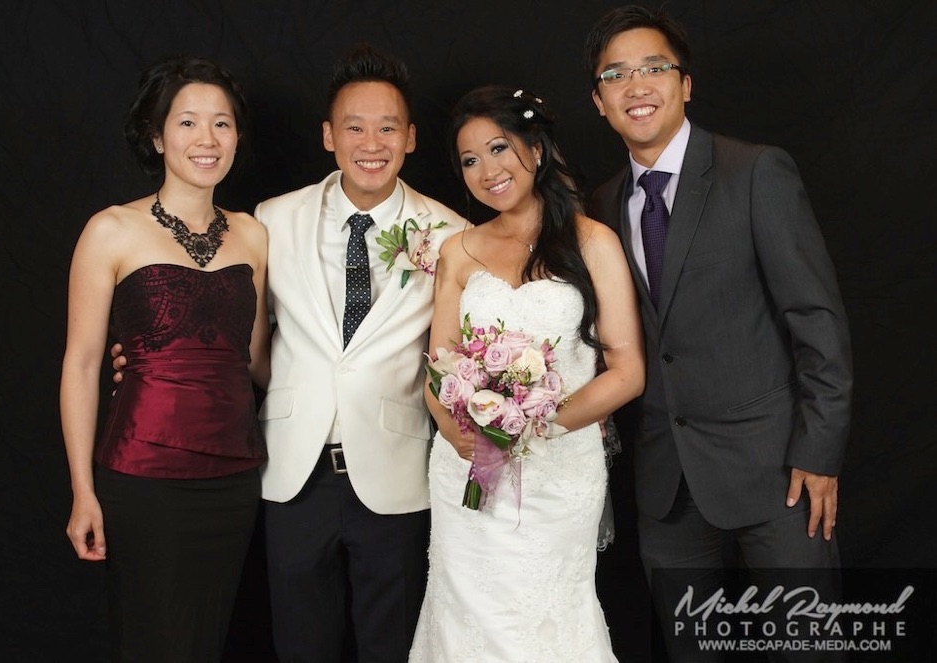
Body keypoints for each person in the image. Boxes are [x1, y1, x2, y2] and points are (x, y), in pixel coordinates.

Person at [583, 6, 853, 660]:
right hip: (665, 482)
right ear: (598, 101)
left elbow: (815, 319)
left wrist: (818, 450)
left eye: (653, 68)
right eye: (616, 75)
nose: (636, 86)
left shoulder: (754, 172)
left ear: (685, 84)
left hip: (776, 471)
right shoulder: (599, 206)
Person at [409, 85, 644, 661]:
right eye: (469, 160)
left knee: (545, 622)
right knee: (465, 621)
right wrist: (452, 428)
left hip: (557, 472)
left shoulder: (593, 242)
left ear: (535, 149)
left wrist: (534, 425)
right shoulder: (459, 251)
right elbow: (438, 368)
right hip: (467, 472)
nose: (487, 170)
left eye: (499, 148)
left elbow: (628, 371)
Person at [253, 44, 467, 661]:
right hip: (293, 473)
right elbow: (236, 325)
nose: (370, 142)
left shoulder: (450, 233)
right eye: (354, 126)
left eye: (387, 127)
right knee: (300, 644)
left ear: (411, 138)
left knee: (393, 643)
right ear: (328, 135)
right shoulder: (273, 219)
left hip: (396, 473)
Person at [61, 56, 269, 662]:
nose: (207, 140)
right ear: (156, 136)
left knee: (207, 639)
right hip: (142, 474)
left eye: (222, 124)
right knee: (153, 642)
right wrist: (82, 490)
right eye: (187, 123)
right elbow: (81, 364)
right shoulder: (111, 230)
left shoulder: (252, 235)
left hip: (233, 475)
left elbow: (254, 360)